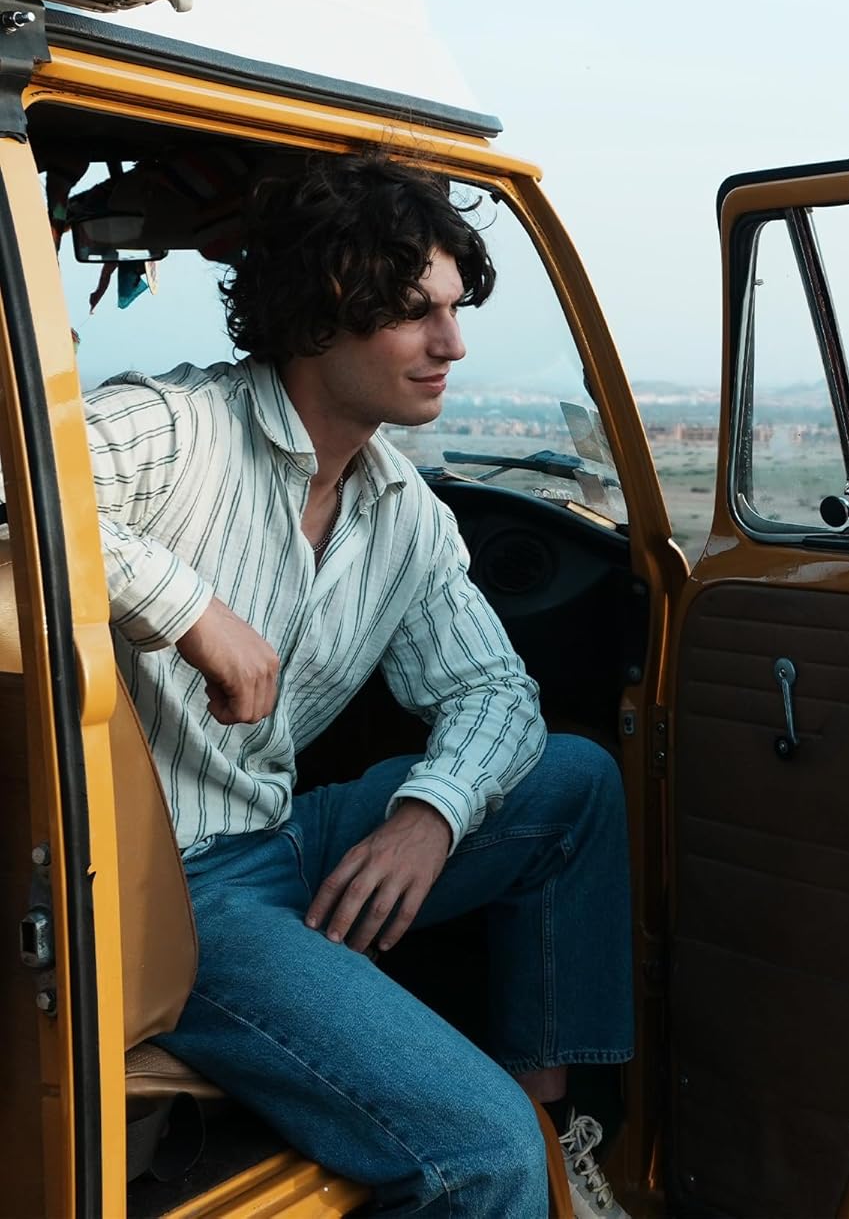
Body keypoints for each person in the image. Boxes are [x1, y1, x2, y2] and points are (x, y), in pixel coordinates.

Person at [87, 153, 632, 1218]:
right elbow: (13, 477)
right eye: (416, 313)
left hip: (280, 839)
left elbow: (494, 693)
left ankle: (553, 1133)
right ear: (320, 311)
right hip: (164, 895)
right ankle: (511, 1154)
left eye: (454, 310)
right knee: (481, 1153)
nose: (453, 344)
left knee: (574, 781)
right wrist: (186, 607)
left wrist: (432, 814)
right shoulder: (177, 430)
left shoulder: (404, 509)